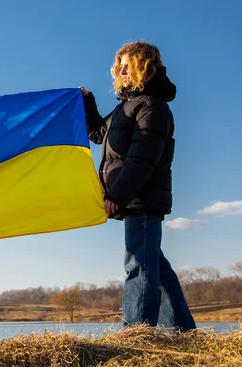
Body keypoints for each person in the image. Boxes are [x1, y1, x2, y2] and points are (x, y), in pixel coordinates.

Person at [80, 41, 196, 332]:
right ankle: (183, 332)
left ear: (144, 66)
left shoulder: (152, 107)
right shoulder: (126, 107)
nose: (120, 70)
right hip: (132, 197)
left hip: (141, 197)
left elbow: (143, 158)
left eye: (126, 63)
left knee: (138, 264)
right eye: (118, 64)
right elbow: (97, 133)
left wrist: (118, 194)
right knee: (154, 265)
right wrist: (87, 101)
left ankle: (137, 332)